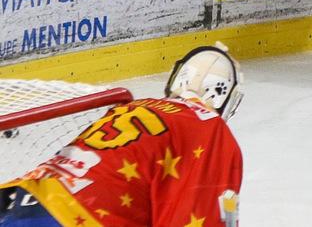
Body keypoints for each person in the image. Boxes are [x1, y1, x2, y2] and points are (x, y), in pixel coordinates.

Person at [0, 43, 244, 226]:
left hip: (17, 197)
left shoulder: (132, 107)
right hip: (73, 218)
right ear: (229, 101)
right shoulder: (210, 128)